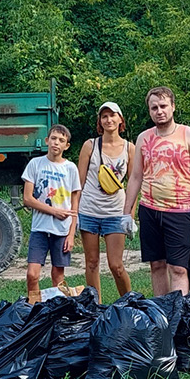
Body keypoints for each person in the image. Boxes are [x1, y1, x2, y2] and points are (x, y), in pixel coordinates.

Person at [133, 86, 190, 296]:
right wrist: (127, 214)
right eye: (154, 108)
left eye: (163, 106)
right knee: (157, 265)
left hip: (179, 209)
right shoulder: (143, 138)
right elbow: (135, 176)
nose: (159, 111)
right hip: (149, 208)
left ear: (173, 107)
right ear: (149, 111)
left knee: (178, 267)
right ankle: (161, 314)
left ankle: (179, 314)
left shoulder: (187, 134)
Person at [75, 102, 138, 303]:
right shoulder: (90, 146)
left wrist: (130, 217)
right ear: (100, 122)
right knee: (92, 262)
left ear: (121, 120)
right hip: (89, 211)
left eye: (113, 116)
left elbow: (133, 186)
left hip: (116, 213)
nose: (109, 120)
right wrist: (73, 213)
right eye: (104, 116)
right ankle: (95, 307)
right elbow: (78, 183)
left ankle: (129, 304)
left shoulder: (130, 148)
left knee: (116, 265)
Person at [22, 124, 82, 302]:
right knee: (32, 275)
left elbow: (74, 203)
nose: (57, 143)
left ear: (67, 146)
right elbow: (28, 198)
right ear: (47, 141)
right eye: (54, 138)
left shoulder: (70, 168)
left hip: (62, 231)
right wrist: (54, 211)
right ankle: (33, 309)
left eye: (61, 140)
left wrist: (71, 234)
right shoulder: (35, 164)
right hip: (40, 228)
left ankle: (56, 312)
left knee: (58, 276)